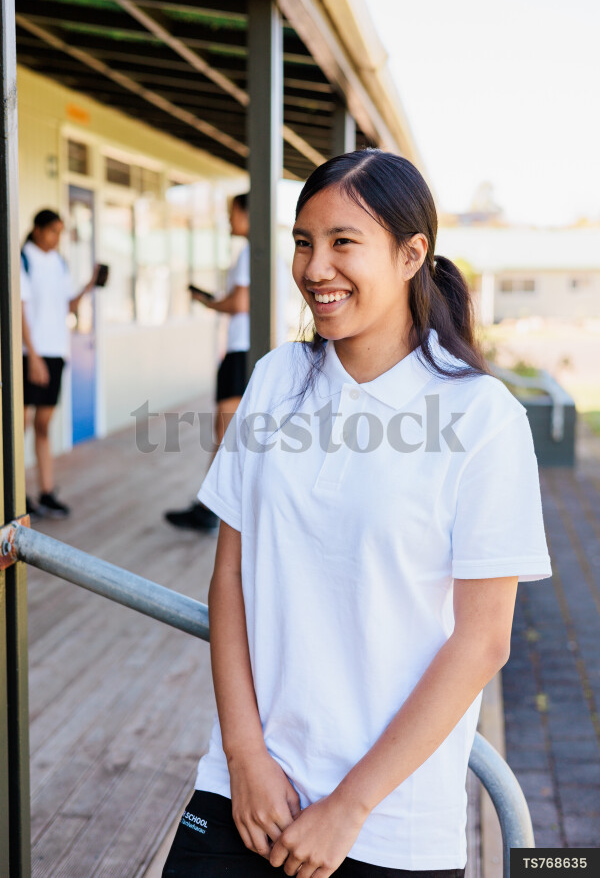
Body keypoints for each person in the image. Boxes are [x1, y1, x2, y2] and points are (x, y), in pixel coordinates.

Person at [162, 150, 551, 877]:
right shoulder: (278, 379)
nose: (315, 268)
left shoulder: (482, 417)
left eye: (344, 242)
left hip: (387, 822)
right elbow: (228, 580)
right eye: (304, 242)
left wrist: (349, 805)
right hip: (242, 791)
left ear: (412, 255)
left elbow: (482, 641)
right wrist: (246, 757)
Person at [164, 192, 290, 533]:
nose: (227, 220)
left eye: (231, 213)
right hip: (257, 348)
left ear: (247, 215)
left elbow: (240, 303)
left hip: (242, 350)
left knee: (226, 432)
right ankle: (218, 507)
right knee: (237, 433)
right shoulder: (268, 254)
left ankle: (213, 509)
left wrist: (209, 303)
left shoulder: (251, 252)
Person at [21, 208, 97, 519]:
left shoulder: (59, 262)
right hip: (31, 355)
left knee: (43, 425)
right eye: (53, 231)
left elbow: (69, 304)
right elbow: (20, 310)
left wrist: (91, 283)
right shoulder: (24, 259)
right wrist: (33, 355)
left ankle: (46, 491)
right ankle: (15, 495)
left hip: (56, 353)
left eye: (60, 232)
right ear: (37, 229)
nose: (57, 238)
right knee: (21, 426)